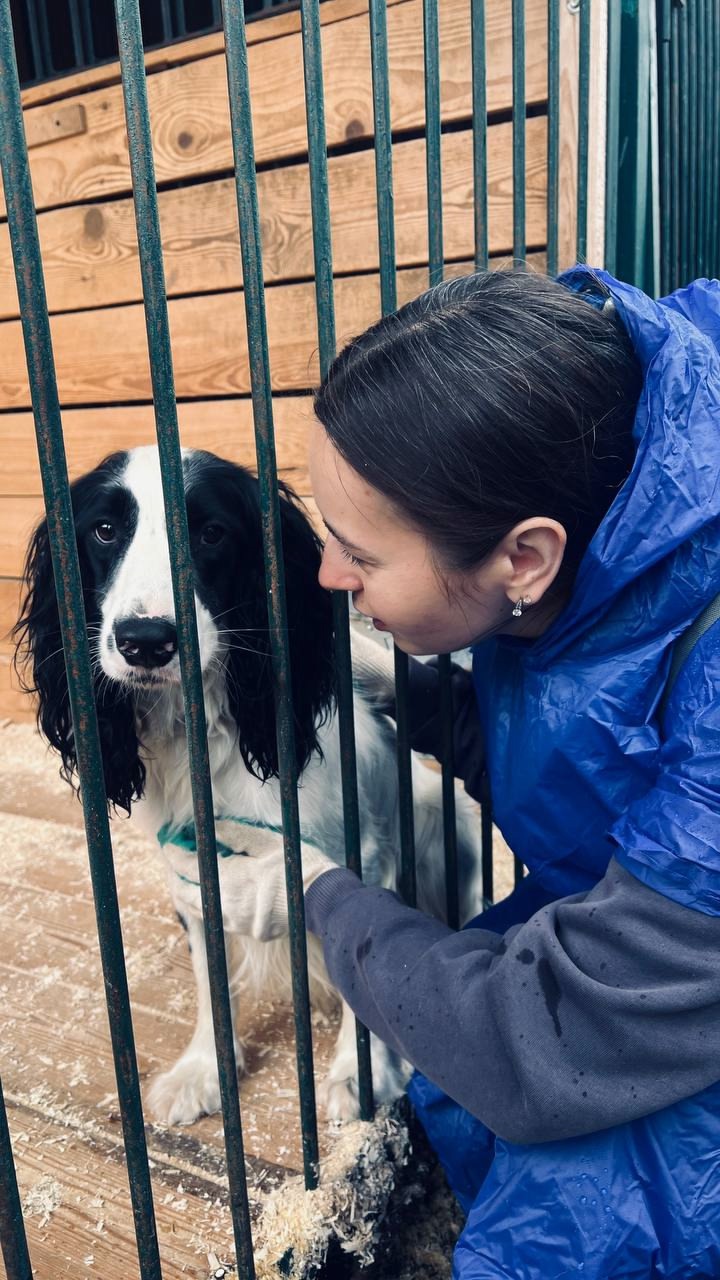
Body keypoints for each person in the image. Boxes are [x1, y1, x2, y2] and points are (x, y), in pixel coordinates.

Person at [232, 266, 720, 1278]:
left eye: (358, 552)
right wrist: (413, 701)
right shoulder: (601, 522)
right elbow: (600, 761)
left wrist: (322, 897)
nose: (328, 576)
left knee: (563, 1236)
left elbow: (546, 1037)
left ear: (525, 558)